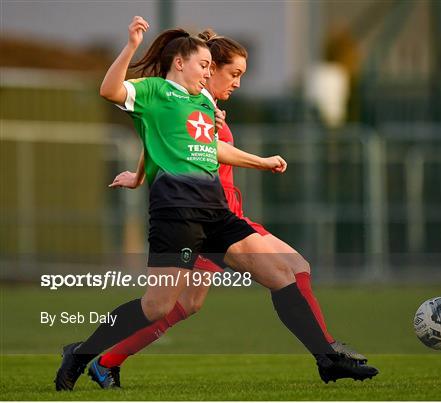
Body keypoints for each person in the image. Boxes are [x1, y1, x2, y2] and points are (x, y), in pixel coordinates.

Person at [54, 16, 378, 391]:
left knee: (281, 273)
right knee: (158, 307)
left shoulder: (203, 103)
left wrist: (262, 161)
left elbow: (207, 147)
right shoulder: (155, 90)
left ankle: (327, 357)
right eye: (205, 65)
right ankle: (81, 353)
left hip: (216, 212)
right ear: (180, 62)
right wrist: (130, 47)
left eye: (211, 67)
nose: (209, 74)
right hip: (176, 212)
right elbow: (111, 92)